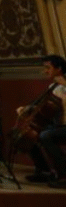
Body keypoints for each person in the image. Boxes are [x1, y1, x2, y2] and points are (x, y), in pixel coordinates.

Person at [21, 54, 66, 188]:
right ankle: (44, 171)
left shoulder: (63, 85)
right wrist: (28, 108)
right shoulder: (53, 86)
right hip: (58, 124)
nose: (45, 71)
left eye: (48, 68)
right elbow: (45, 105)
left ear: (59, 68)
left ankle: (64, 174)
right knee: (29, 134)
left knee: (46, 136)